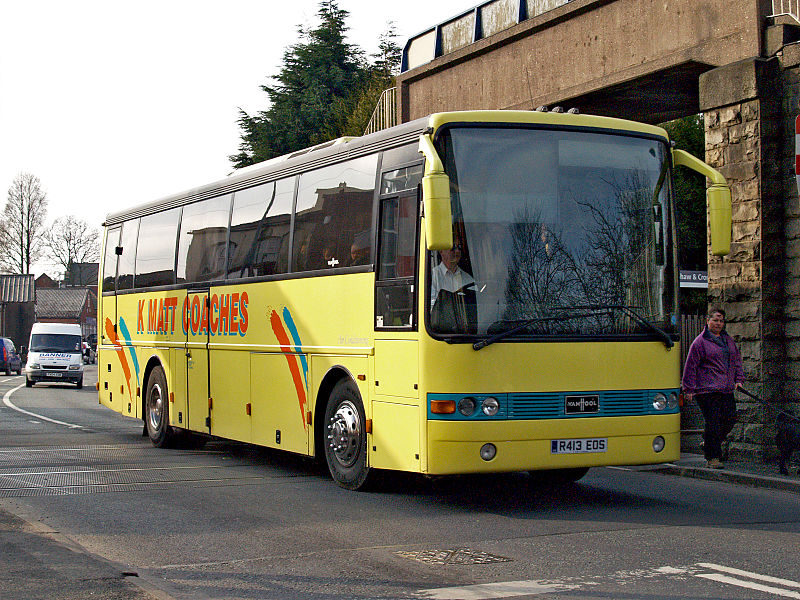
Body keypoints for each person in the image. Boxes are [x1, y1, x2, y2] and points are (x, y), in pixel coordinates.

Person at [681, 308, 744, 469]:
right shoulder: (700, 342)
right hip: (706, 390)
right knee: (713, 422)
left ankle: (709, 442)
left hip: (725, 388)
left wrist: (739, 379)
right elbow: (691, 366)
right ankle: (713, 457)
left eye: (721, 320)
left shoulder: (728, 340)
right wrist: (688, 389)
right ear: (707, 321)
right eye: (715, 320)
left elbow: (736, 361)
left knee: (730, 419)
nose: (718, 323)